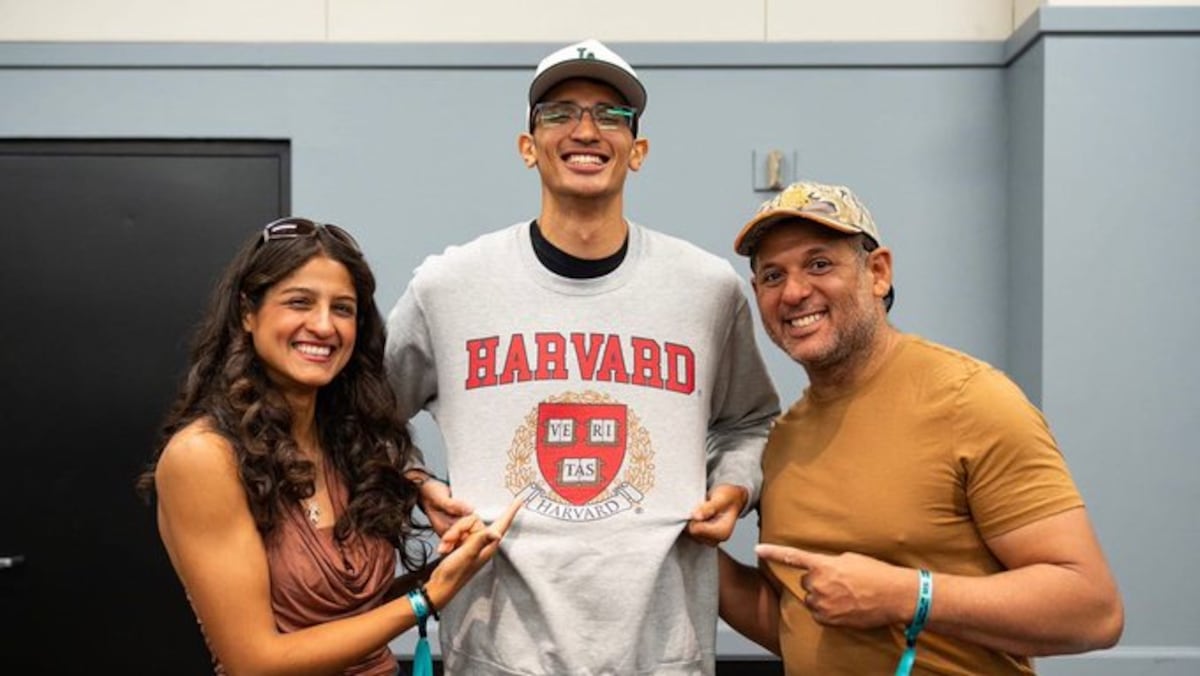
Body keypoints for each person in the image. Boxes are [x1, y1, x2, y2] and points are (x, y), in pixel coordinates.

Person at [383, 39, 780, 675]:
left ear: (638, 151)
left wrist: (736, 484)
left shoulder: (708, 290)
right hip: (494, 653)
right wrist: (417, 483)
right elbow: (366, 420)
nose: (586, 130)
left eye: (611, 116)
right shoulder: (448, 286)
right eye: (560, 113)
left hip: (663, 652)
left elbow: (750, 421)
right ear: (527, 145)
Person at [718, 181, 1125, 674]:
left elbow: (1094, 611)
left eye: (819, 264)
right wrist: (671, 542)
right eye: (772, 276)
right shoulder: (783, 439)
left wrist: (909, 595)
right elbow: (800, 621)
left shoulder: (971, 399)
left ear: (878, 273)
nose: (795, 292)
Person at [136, 217, 520, 675]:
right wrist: (426, 598)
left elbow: (347, 617)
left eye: (342, 309)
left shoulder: (345, 443)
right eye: (299, 302)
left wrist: (446, 567)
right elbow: (256, 661)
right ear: (247, 311)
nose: (323, 326)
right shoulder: (204, 456)